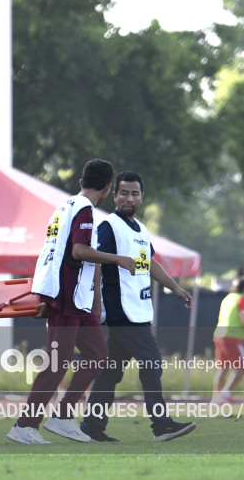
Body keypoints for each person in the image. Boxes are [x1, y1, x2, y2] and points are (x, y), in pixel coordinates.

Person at [6, 159, 137, 445]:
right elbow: (79, 251)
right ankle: (25, 425)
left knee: (98, 354)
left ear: (81, 182)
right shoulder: (85, 209)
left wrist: (92, 300)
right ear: (107, 189)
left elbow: (53, 251)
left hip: (78, 298)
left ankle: (63, 417)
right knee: (57, 363)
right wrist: (118, 259)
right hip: (68, 295)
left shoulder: (64, 207)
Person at [80, 171, 197, 442]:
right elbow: (96, 262)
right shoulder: (109, 226)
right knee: (152, 363)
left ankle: (91, 425)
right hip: (122, 310)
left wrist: (176, 288)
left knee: (109, 372)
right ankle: (162, 425)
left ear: (142, 197)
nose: (129, 198)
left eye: (134, 193)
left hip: (138, 309)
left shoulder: (140, 229)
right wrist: (97, 305)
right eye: (123, 193)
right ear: (114, 194)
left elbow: (150, 263)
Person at [211, 278, 244, 404]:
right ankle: (225, 394)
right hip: (232, 337)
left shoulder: (227, 298)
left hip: (219, 335)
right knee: (243, 367)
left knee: (223, 368)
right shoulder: (242, 299)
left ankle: (216, 399)